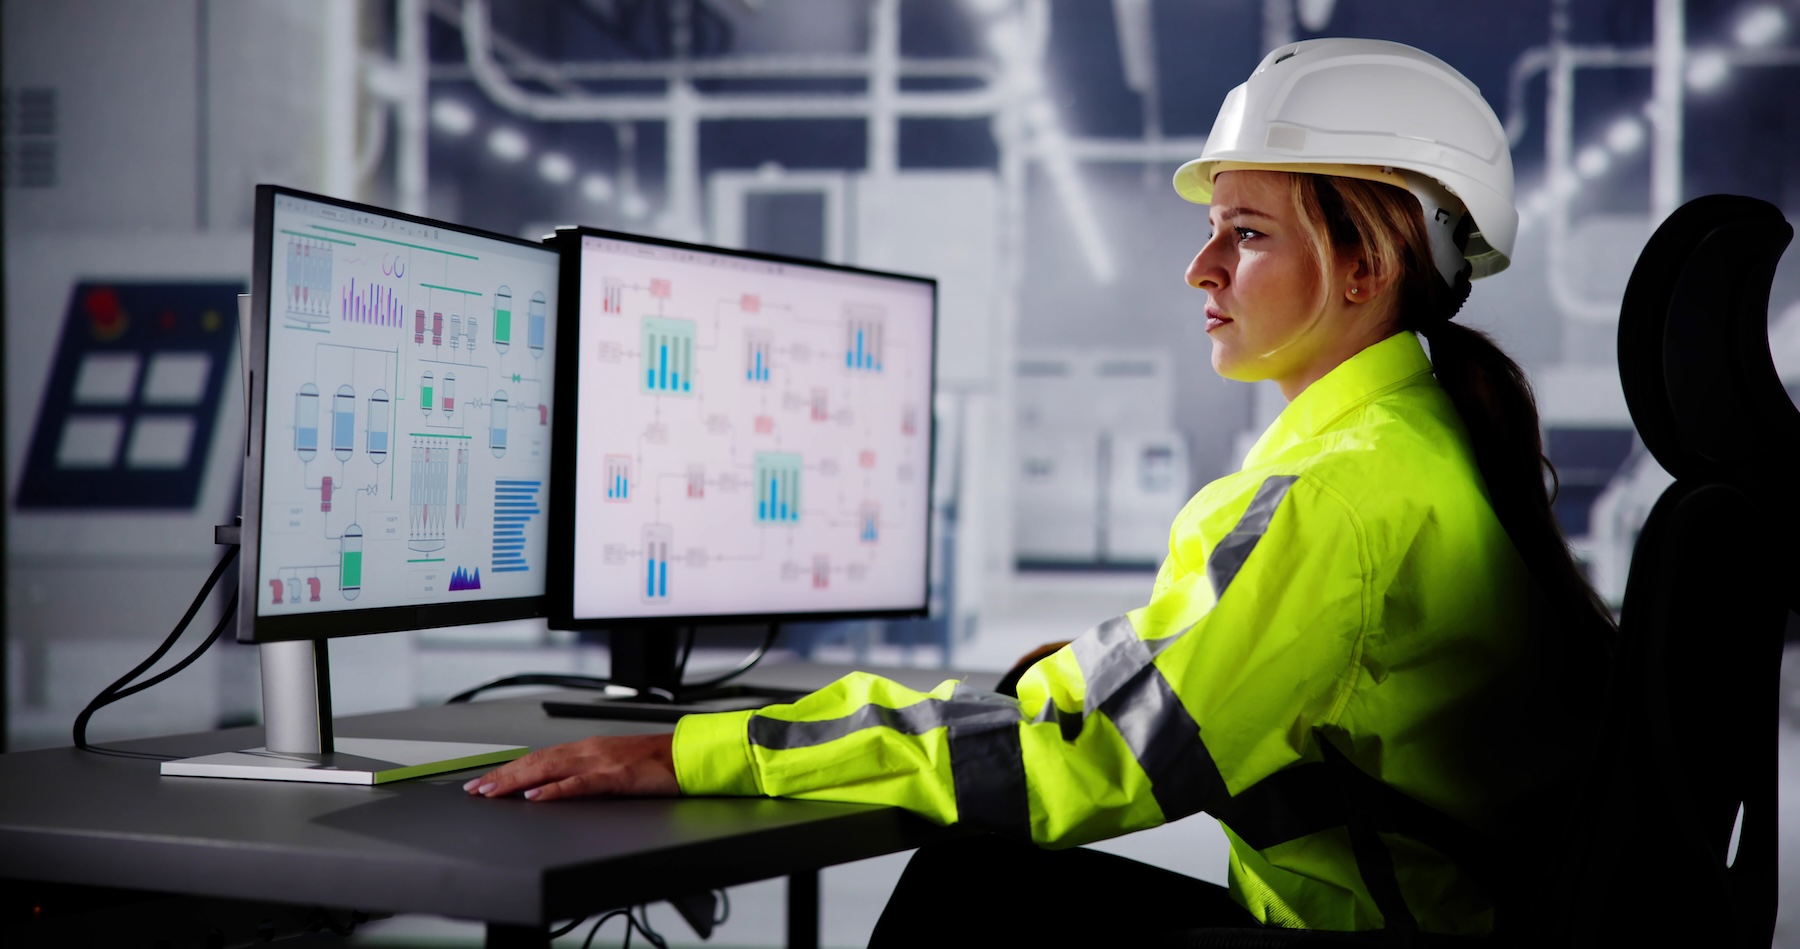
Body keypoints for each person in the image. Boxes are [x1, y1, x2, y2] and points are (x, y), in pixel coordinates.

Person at [465, 38, 1614, 942]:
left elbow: (1083, 761)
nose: (1200, 269)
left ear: (1369, 263)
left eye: (1247, 233)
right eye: (1212, 231)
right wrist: (1091, 670)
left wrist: (699, 752)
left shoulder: (1334, 494)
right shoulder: (1423, 440)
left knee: (975, 890)